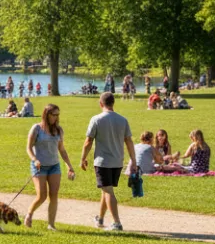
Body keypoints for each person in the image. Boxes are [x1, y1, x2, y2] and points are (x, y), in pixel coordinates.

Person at [80, 92, 137, 232]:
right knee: (106, 190)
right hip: (117, 161)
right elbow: (129, 141)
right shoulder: (122, 120)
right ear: (113, 103)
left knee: (108, 191)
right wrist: (133, 160)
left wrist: (83, 158)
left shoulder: (96, 119)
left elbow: (88, 141)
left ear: (101, 104)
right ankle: (100, 218)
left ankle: (117, 223)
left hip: (102, 161)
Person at [25, 104, 76, 230]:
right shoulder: (36, 128)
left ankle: (51, 225)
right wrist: (35, 159)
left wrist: (69, 166)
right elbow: (29, 147)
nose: (57, 117)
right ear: (47, 114)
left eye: (58, 114)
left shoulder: (58, 130)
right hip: (39, 166)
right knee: (42, 196)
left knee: (54, 195)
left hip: (54, 166)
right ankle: (29, 214)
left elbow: (62, 150)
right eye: (54, 114)